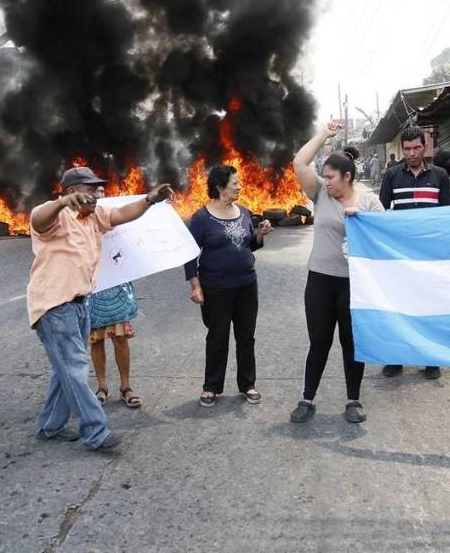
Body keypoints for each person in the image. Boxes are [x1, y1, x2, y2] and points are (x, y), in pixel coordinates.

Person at [28, 166, 172, 450]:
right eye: (90, 188)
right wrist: (60, 204)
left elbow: (121, 214)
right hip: (55, 307)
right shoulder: (56, 215)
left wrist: (149, 200)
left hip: (81, 305)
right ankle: (96, 432)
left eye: (97, 189)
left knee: (64, 372)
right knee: (75, 370)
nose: (96, 194)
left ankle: (49, 427)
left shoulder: (94, 216)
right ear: (71, 192)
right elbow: (38, 219)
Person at [287, 122, 384, 424]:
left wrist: (363, 219)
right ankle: (307, 398)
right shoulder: (320, 194)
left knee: (350, 342)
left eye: (331, 177)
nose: (326, 181)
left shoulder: (367, 199)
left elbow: (385, 233)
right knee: (319, 341)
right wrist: (324, 135)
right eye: (324, 176)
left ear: (348, 177)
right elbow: (299, 163)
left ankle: (353, 400)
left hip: (354, 284)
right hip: (320, 280)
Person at [184, 165, 272, 408]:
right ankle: (211, 386)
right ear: (221, 187)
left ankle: (248, 384)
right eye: (235, 183)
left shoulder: (244, 212)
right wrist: (195, 286)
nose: (239, 186)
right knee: (217, 336)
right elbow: (190, 255)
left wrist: (260, 235)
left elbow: (247, 245)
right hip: (215, 287)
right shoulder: (201, 218)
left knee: (246, 337)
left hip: (246, 285)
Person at [378, 126, 450, 378]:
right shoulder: (391, 176)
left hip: (429, 254)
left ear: (425, 147)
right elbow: (380, 214)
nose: (411, 153)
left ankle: (430, 359)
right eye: (407, 149)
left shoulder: (440, 176)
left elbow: (447, 216)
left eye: (416, 148)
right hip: (399, 256)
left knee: (429, 306)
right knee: (399, 306)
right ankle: (396, 357)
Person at [87, 185, 141, 409]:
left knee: (120, 339)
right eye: (95, 191)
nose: (99, 194)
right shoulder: (82, 219)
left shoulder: (116, 216)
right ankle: (102, 386)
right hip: (92, 286)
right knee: (96, 339)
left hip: (117, 284)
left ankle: (126, 387)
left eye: (101, 191)